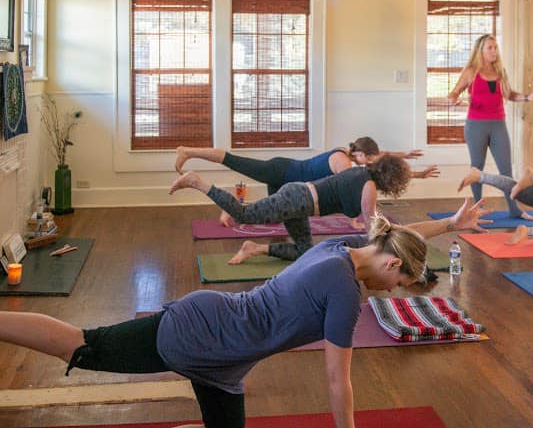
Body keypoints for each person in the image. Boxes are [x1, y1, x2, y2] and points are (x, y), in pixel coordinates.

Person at [0, 198, 492, 428]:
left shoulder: (343, 247)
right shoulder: (344, 292)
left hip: (225, 360)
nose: (391, 292)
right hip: (201, 334)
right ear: (392, 264)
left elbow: (402, 237)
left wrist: (449, 223)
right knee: (83, 345)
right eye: (399, 283)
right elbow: (337, 380)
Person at [171, 154, 411, 263]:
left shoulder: (363, 173)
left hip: (301, 204)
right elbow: (371, 225)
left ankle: (254, 248)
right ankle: (197, 182)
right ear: (391, 179)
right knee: (243, 215)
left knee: (304, 251)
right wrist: (383, 253)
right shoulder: (368, 186)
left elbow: (371, 222)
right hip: (297, 199)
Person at [175, 137, 439, 226]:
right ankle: (188, 151)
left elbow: (379, 163)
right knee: (233, 160)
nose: (368, 162)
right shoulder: (343, 163)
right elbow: (353, 186)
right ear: (359, 154)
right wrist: (356, 220)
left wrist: (407, 161)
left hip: (292, 183)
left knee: (266, 215)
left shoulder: (348, 155)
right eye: (366, 158)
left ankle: (229, 208)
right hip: (283, 174)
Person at [448, 34, 533, 221]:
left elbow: (509, 95)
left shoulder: (501, 71)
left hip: (498, 124)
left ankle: (514, 209)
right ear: (481, 50)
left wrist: (528, 97)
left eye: (495, 47)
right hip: (476, 126)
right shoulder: (471, 72)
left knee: (506, 169)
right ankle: (477, 210)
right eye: (490, 48)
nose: (494, 51)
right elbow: (454, 92)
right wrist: (453, 99)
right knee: (477, 169)